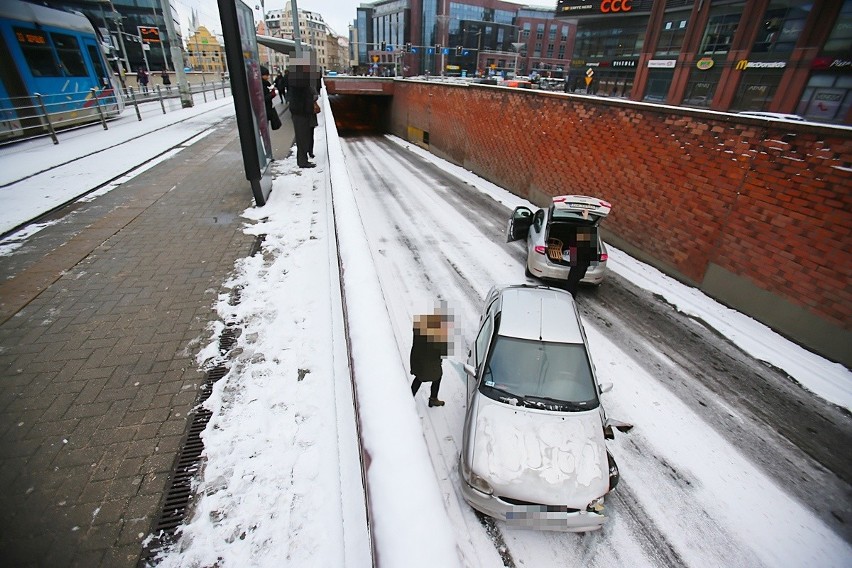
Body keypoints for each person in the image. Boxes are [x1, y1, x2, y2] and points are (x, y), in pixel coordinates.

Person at [410, 309, 452, 407]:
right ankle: (433, 399)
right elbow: (444, 353)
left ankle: (410, 396)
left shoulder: (420, 326)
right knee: (437, 377)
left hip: (417, 360)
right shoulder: (440, 336)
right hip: (430, 362)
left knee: (419, 377)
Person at [287, 63, 316, 168]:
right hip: (301, 112)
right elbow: (306, 95)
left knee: (304, 137)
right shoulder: (298, 82)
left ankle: (304, 159)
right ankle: (302, 161)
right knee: (302, 137)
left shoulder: (299, 81)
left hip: (302, 112)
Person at [565, 226, 598, 297]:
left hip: (578, 264)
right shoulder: (591, 236)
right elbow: (593, 258)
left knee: (571, 282)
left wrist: (573, 262)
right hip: (582, 265)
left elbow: (573, 248)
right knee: (574, 282)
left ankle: (568, 296)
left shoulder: (576, 236)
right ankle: (571, 296)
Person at [260, 66, 280, 130]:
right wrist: (272, 94)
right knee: (265, 128)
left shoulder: (266, 84)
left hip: (268, 108)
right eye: (266, 75)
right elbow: (263, 99)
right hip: (264, 110)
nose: (268, 77)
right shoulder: (261, 85)